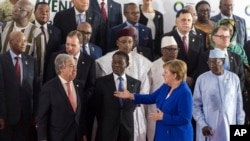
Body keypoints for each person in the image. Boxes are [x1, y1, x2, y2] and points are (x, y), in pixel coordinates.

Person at [114, 59, 193, 141]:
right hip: (163, 133)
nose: (163, 74)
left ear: (174, 75)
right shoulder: (166, 86)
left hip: (177, 136)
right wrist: (131, 96)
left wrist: (163, 117)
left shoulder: (184, 93)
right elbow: (151, 97)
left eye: (166, 72)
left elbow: (185, 119)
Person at [96, 28, 152, 141]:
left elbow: (145, 88)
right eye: (124, 41)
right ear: (117, 42)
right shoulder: (105, 60)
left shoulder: (143, 62)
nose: (127, 45)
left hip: (133, 111)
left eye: (130, 41)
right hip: (111, 115)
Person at [44, 30, 96, 140]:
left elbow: (91, 86)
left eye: (73, 45)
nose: (69, 48)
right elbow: (48, 81)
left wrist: (79, 99)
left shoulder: (89, 61)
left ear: (81, 45)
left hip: (79, 112)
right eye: (67, 44)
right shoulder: (55, 57)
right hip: (58, 112)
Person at [193, 49, 245, 141]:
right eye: (210, 62)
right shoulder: (201, 79)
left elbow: (239, 106)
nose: (212, 65)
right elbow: (195, 106)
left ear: (223, 61)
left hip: (229, 127)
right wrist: (203, 124)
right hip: (209, 129)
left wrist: (240, 128)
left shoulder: (234, 79)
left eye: (216, 62)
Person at [0, 31, 41, 141]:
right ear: (10, 42)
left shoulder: (31, 61)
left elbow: (37, 90)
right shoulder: (2, 60)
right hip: (7, 116)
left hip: (26, 116)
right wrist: (1, 115)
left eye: (24, 41)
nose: (23, 43)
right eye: (19, 41)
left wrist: (36, 113)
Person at [37, 54, 87, 141]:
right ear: (61, 68)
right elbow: (42, 117)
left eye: (75, 66)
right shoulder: (49, 88)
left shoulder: (79, 85)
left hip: (76, 136)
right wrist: (42, 138)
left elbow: (81, 113)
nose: (75, 69)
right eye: (71, 66)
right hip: (57, 137)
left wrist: (83, 134)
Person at [94, 51, 141, 141]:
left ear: (127, 64)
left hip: (127, 129)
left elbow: (134, 106)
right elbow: (97, 107)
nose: (116, 65)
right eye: (114, 62)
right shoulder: (101, 82)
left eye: (120, 63)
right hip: (107, 130)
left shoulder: (135, 83)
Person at [0, 0, 46, 81]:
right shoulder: (4, 27)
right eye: (15, 7)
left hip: (23, 81)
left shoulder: (36, 33)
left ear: (28, 14)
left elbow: (39, 63)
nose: (14, 10)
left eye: (20, 9)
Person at [162, 9, 204, 90]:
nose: (186, 22)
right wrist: (182, 78)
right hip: (173, 82)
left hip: (193, 84)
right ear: (176, 22)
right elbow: (164, 60)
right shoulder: (167, 37)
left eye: (189, 20)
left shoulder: (198, 39)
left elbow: (201, 62)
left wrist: (192, 78)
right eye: (183, 20)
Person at [147, 36, 179, 141]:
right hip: (156, 109)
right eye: (169, 49)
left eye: (175, 49)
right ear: (162, 50)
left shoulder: (181, 66)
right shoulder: (153, 67)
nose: (173, 52)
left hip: (175, 111)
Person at [33, 1, 62, 82]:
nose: (44, 13)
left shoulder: (56, 31)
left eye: (47, 11)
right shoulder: (28, 29)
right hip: (32, 70)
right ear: (34, 12)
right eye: (41, 11)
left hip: (50, 72)